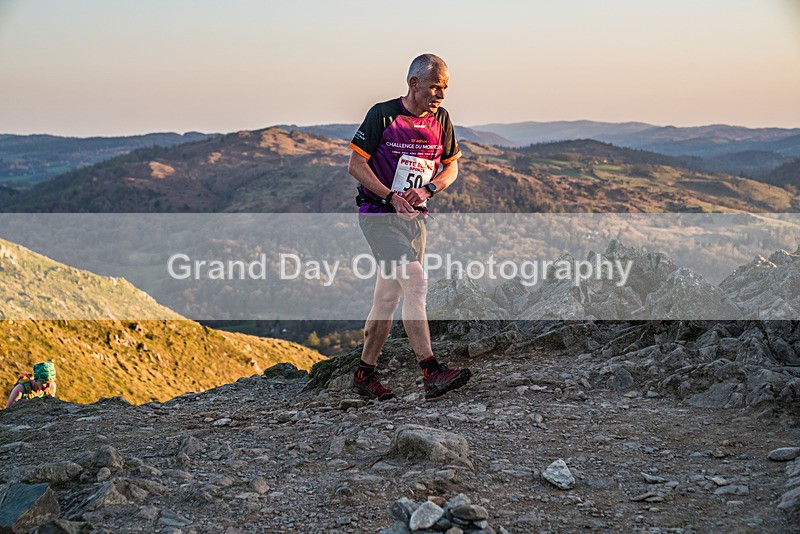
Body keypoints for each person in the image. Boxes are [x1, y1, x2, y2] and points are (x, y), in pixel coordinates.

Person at [348, 53, 471, 401]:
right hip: (379, 215)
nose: (441, 95)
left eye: (444, 88)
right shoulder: (382, 115)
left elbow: (451, 168)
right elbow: (356, 164)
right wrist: (390, 197)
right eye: (435, 87)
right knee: (416, 281)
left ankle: (364, 376)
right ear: (414, 84)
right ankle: (431, 371)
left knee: (387, 298)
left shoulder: (441, 119)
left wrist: (428, 189)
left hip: (415, 220)